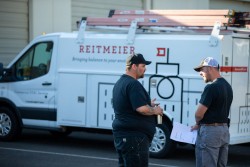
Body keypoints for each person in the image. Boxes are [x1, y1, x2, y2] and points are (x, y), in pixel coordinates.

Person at [112, 53, 163, 167]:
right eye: (143, 66)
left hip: (124, 136)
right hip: (134, 138)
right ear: (134, 66)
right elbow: (141, 109)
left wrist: (148, 104)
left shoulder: (121, 82)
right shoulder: (133, 84)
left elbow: (127, 104)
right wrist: (155, 111)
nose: (145, 69)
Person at [191, 57, 233, 167]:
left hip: (210, 132)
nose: (200, 73)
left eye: (202, 69)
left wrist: (197, 123)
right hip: (224, 130)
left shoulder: (211, 88)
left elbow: (198, 114)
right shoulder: (227, 86)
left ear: (210, 68)